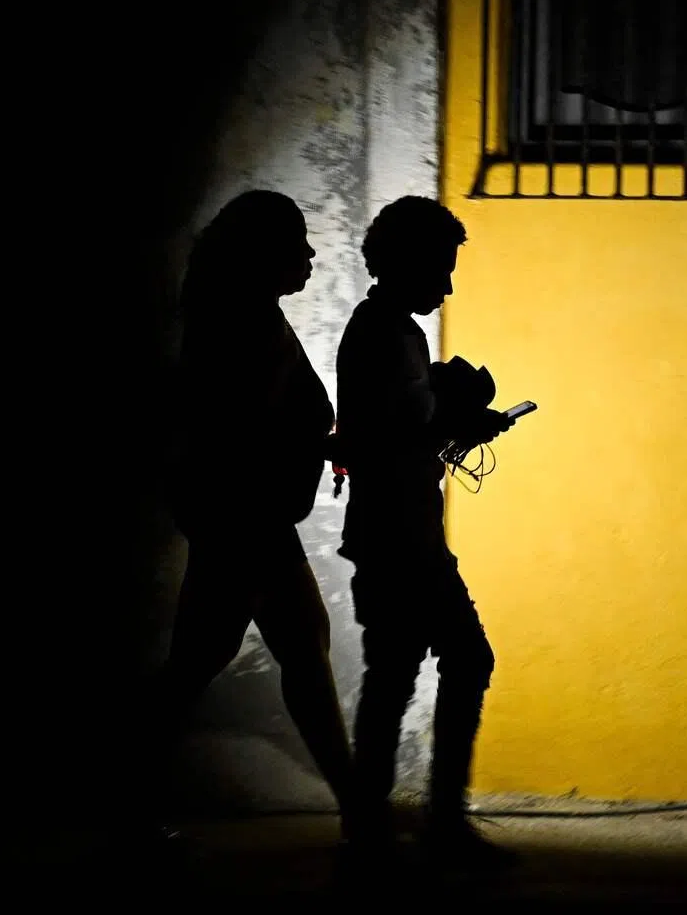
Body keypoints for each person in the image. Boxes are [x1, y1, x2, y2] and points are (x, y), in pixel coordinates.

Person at [149, 189, 354, 834]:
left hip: (237, 516)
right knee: (299, 647)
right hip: (247, 518)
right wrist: (324, 443)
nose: (311, 254)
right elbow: (245, 432)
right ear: (263, 253)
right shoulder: (244, 326)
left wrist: (320, 443)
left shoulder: (244, 315)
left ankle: (128, 800)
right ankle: (360, 811)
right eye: (297, 243)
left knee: (203, 659)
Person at [334, 195, 515, 870]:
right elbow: (400, 430)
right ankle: (430, 826)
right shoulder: (385, 335)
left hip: (394, 529)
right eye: (440, 269)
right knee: (459, 659)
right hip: (400, 534)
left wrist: (453, 422)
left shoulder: (388, 330)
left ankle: (375, 832)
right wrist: (461, 419)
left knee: (395, 673)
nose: (447, 287)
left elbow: (398, 430)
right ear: (407, 263)